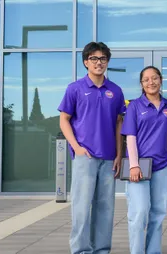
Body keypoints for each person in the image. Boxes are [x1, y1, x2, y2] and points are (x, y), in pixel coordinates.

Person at [58, 42, 126, 254]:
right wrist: (76, 147)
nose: (99, 62)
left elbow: (118, 124)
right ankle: (80, 250)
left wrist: (119, 154)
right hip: (84, 157)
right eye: (94, 59)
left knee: (105, 208)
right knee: (81, 208)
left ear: (107, 62)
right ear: (86, 62)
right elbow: (64, 120)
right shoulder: (75, 89)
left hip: (108, 158)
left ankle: (101, 250)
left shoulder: (115, 91)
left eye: (103, 58)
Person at [121, 66, 167, 254]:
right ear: (141, 84)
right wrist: (134, 165)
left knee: (158, 213)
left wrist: (163, 145)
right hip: (139, 167)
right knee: (139, 213)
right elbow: (130, 136)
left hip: (162, 166)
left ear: (161, 80)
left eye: (154, 78)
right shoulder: (135, 106)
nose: (151, 82)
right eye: (146, 79)